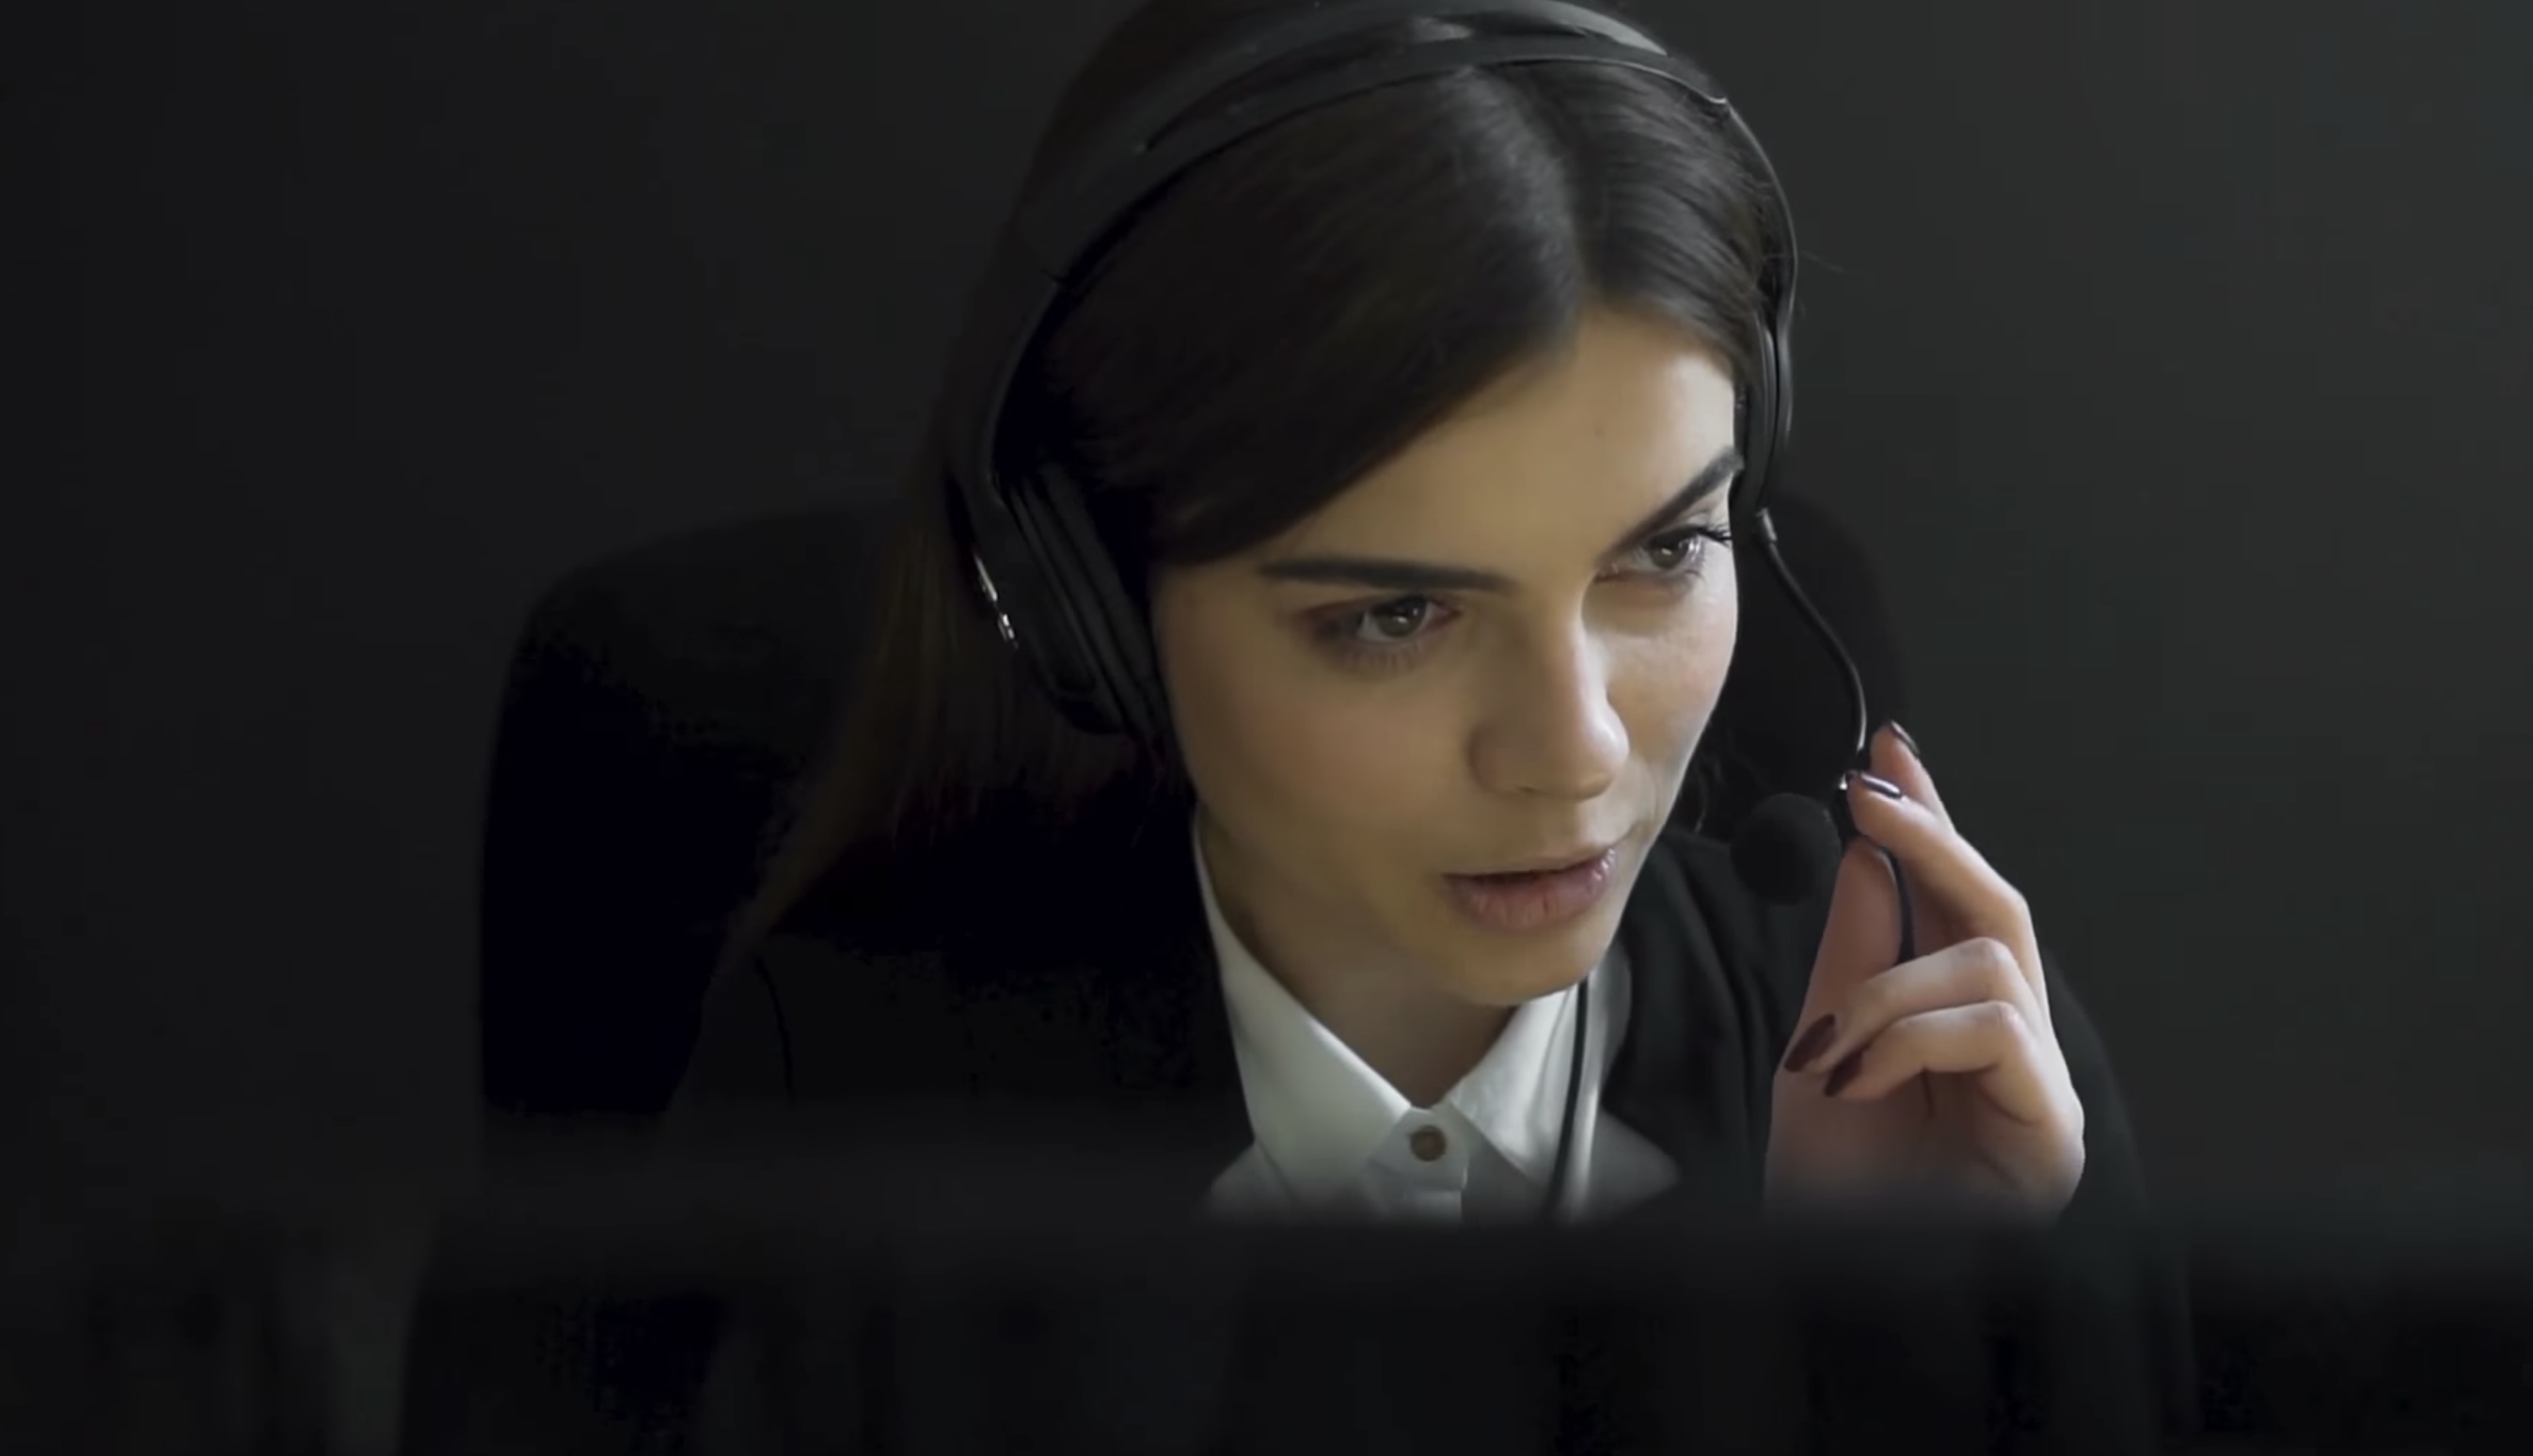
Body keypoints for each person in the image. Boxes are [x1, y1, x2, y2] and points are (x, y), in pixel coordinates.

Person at [403, 0, 2199, 1448]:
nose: (1570, 750)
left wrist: (1894, 1332)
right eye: (1395, 614)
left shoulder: (1943, 1075)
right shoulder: (851, 1120)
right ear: (1095, 605)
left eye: (1662, 553)